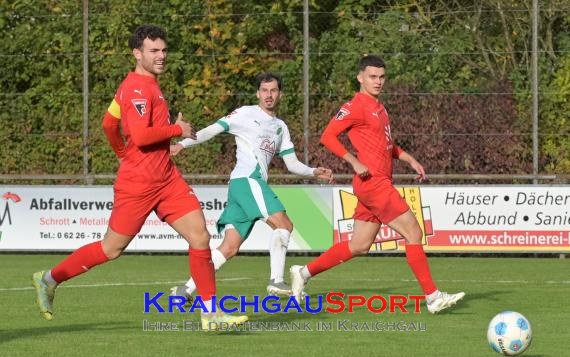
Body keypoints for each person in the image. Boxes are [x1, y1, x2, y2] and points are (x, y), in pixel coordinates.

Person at [31, 24, 247, 330]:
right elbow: (143, 137)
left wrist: (123, 151)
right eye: (153, 51)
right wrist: (177, 131)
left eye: (163, 50)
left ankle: (211, 313)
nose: (161, 56)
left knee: (200, 236)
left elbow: (109, 124)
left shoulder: (146, 84)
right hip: (139, 183)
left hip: (167, 179)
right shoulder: (137, 88)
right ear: (137, 53)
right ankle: (49, 278)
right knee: (111, 249)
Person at [289, 55, 465, 314]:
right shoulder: (356, 106)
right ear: (360, 78)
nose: (378, 81)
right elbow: (327, 136)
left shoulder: (380, 108)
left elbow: (387, 145)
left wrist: (409, 159)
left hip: (376, 183)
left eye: (382, 77)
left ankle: (303, 272)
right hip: (373, 184)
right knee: (414, 233)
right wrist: (353, 162)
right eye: (373, 76)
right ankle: (433, 297)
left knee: (359, 245)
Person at [169, 72, 333, 303]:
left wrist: (313, 171)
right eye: (264, 91)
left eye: (273, 91)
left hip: (242, 186)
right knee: (283, 224)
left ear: (280, 94)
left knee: (229, 247)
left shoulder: (280, 127)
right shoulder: (245, 113)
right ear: (257, 93)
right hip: (247, 180)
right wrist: (183, 144)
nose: (269, 95)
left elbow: (292, 164)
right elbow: (213, 129)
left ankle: (185, 289)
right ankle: (276, 281)